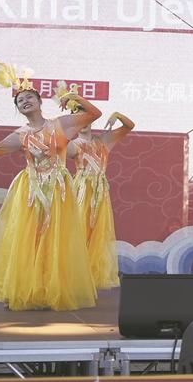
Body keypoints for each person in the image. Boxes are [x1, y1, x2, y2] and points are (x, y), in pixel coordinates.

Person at [0, 59, 100, 310]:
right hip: (30, 190)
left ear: (40, 102)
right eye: (20, 100)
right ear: (18, 109)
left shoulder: (61, 124)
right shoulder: (20, 135)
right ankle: (24, 290)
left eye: (30, 97)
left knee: (55, 239)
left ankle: (50, 291)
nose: (25, 101)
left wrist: (75, 97)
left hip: (58, 190)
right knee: (28, 239)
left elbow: (94, 115)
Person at [64, 84, 134, 290]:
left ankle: (90, 279)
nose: (83, 123)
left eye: (86, 118)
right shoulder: (73, 144)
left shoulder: (104, 141)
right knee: (78, 233)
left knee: (97, 236)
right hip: (81, 191)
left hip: (100, 193)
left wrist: (117, 115)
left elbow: (129, 125)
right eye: (77, 119)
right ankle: (72, 277)